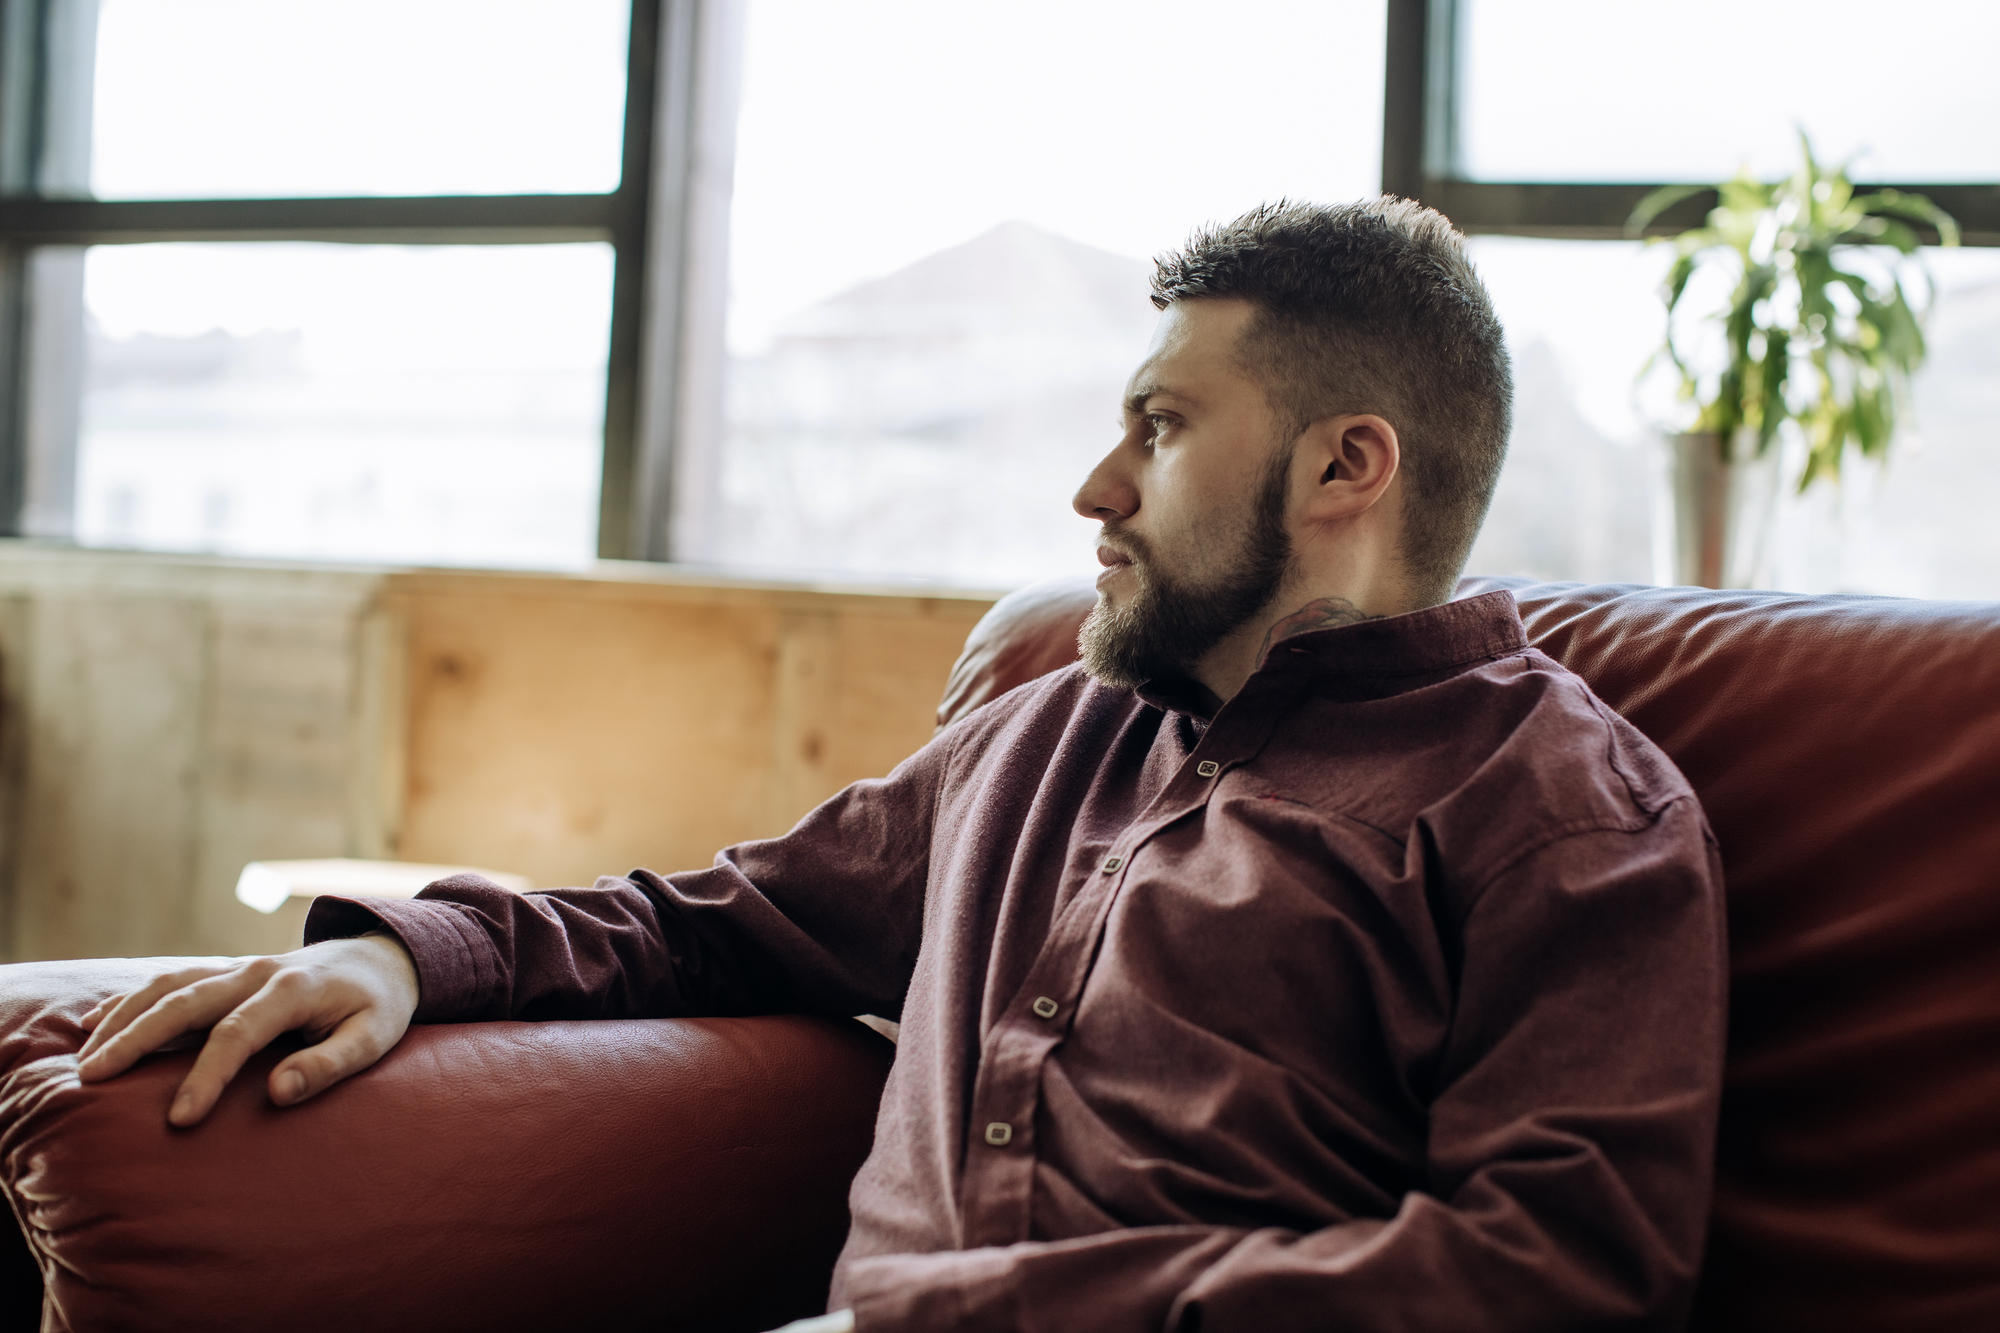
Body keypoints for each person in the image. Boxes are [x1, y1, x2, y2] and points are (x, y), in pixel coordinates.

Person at [75, 199, 1726, 1333]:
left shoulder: (1565, 818)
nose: (1097, 485)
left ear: (1345, 465)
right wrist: (404, 958)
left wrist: (982, 1314)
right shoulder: (1037, 736)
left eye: (1159, 426)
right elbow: (709, 922)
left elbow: (1560, 1274)